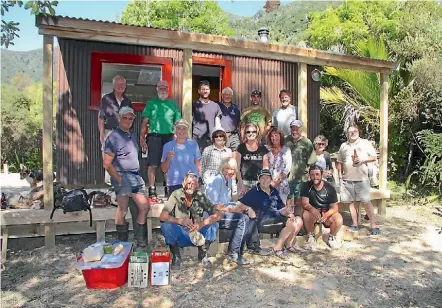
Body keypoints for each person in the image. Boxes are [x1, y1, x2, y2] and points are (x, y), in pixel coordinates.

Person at [103, 107, 150, 250]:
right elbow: (106, 163)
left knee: (144, 207)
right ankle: (122, 242)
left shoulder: (133, 135)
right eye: (125, 117)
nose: (128, 121)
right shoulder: (113, 137)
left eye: (131, 118)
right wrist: (117, 178)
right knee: (122, 209)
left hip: (135, 176)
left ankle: (141, 242)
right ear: (119, 118)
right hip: (122, 175)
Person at [237, 169, 304, 259]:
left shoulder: (274, 191)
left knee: (298, 220)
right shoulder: (254, 192)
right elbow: (240, 204)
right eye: (262, 178)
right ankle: (277, 248)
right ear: (259, 180)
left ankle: (288, 244)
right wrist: (248, 209)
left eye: (267, 178)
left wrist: (289, 213)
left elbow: (281, 207)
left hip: (275, 217)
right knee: (291, 222)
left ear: (271, 179)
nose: (265, 180)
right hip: (261, 220)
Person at [159, 173, 220, 269]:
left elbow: (217, 214)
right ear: (183, 184)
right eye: (188, 183)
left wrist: (201, 224)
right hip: (182, 234)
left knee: (214, 225)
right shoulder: (176, 194)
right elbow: (162, 216)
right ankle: (176, 256)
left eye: (193, 183)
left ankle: (203, 252)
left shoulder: (200, 196)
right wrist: (180, 221)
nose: (190, 186)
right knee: (166, 226)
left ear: (197, 186)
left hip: (198, 234)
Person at [205, 158, 253, 265]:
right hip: (212, 214)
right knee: (243, 220)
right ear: (222, 168)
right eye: (227, 168)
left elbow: (226, 202)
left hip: (221, 211)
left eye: (232, 169)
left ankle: (244, 249)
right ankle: (234, 254)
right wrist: (231, 209)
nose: (229, 171)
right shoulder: (217, 180)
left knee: (246, 213)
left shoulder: (229, 180)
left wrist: (239, 206)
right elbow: (212, 206)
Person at [140, 80, 181, 203]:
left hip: (169, 138)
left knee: (169, 164)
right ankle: (152, 191)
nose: (163, 90)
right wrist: (142, 138)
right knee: (153, 164)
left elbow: (178, 123)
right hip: (154, 137)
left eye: (165, 88)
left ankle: (169, 189)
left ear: (168, 90)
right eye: (160, 88)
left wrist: (178, 139)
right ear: (157, 89)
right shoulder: (151, 103)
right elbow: (144, 123)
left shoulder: (172, 104)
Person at [337, 125, 380, 235]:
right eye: (350, 132)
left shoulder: (365, 143)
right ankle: (355, 224)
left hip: (362, 179)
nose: (353, 133)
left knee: (366, 201)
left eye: (355, 131)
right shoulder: (343, 146)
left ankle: (373, 225)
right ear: (347, 133)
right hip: (347, 179)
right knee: (351, 203)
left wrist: (362, 159)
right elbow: (340, 161)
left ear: (358, 132)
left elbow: (374, 157)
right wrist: (340, 176)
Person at [98, 75, 133, 184]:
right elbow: (101, 117)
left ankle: (120, 183)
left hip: (123, 134)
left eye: (123, 84)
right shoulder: (106, 99)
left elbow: (131, 119)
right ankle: (110, 185)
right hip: (110, 132)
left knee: (122, 158)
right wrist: (102, 134)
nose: (120, 86)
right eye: (118, 84)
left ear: (125, 86)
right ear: (113, 85)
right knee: (109, 159)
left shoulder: (127, 101)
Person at [301, 166, 343, 250]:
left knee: (338, 218)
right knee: (306, 214)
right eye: (312, 175)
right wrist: (313, 210)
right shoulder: (306, 186)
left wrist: (326, 215)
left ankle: (331, 237)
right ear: (309, 175)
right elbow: (305, 203)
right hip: (313, 212)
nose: (315, 177)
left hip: (326, 212)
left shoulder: (329, 188)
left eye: (317, 174)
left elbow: (335, 207)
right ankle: (311, 237)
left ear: (321, 175)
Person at [285, 120, 317, 217]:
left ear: (301, 130)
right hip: (286, 177)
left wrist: (308, 175)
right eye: (293, 128)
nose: (294, 131)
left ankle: (298, 222)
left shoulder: (307, 142)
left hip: (301, 178)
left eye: (297, 129)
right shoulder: (286, 140)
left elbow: (312, 161)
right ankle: (288, 222)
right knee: (287, 201)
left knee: (299, 202)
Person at [161, 119, 202, 196]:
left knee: (192, 207)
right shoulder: (167, 146)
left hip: (191, 182)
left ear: (187, 131)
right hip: (174, 183)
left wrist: (199, 179)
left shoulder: (193, 144)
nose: (181, 131)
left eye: (184, 129)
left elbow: (198, 163)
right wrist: (168, 158)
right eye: (179, 128)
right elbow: (164, 169)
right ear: (175, 130)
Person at [234, 123, 269, 194]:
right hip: (244, 182)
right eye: (248, 132)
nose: (251, 133)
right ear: (245, 134)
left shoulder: (262, 148)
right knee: (243, 205)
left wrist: (264, 183)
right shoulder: (241, 147)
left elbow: (266, 167)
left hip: (259, 182)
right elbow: (237, 167)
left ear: (257, 133)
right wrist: (241, 184)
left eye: (253, 131)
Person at [192, 80, 222, 151]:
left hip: (211, 139)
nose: (205, 91)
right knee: (198, 161)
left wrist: (218, 138)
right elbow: (189, 122)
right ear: (199, 91)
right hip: (197, 139)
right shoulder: (193, 105)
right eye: (203, 89)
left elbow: (218, 124)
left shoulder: (215, 106)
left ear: (210, 91)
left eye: (207, 89)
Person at [267, 128, 292, 203]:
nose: (274, 138)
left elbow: (288, 168)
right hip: (268, 184)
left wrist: (278, 180)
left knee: (281, 209)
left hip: (282, 184)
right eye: (272, 136)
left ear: (280, 137)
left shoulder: (287, 150)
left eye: (276, 135)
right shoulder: (267, 150)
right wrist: (270, 181)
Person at [218, 87, 241, 151]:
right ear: (222, 96)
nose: (227, 96)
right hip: (221, 135)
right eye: (225, 94)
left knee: (236, 153)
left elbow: (238, 123)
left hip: (234, 136)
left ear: (231, 96)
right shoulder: (217, 106)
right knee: (222, 155)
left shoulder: (236, 108)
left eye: (229, 95)